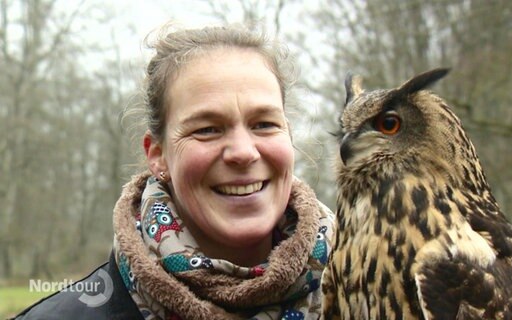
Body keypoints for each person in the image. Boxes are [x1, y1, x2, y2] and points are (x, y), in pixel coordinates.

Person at [13, 24, 334, 319]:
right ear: (158, 155)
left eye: (264, 124)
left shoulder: (369, 291)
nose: (243, 152)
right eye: (207, 129)